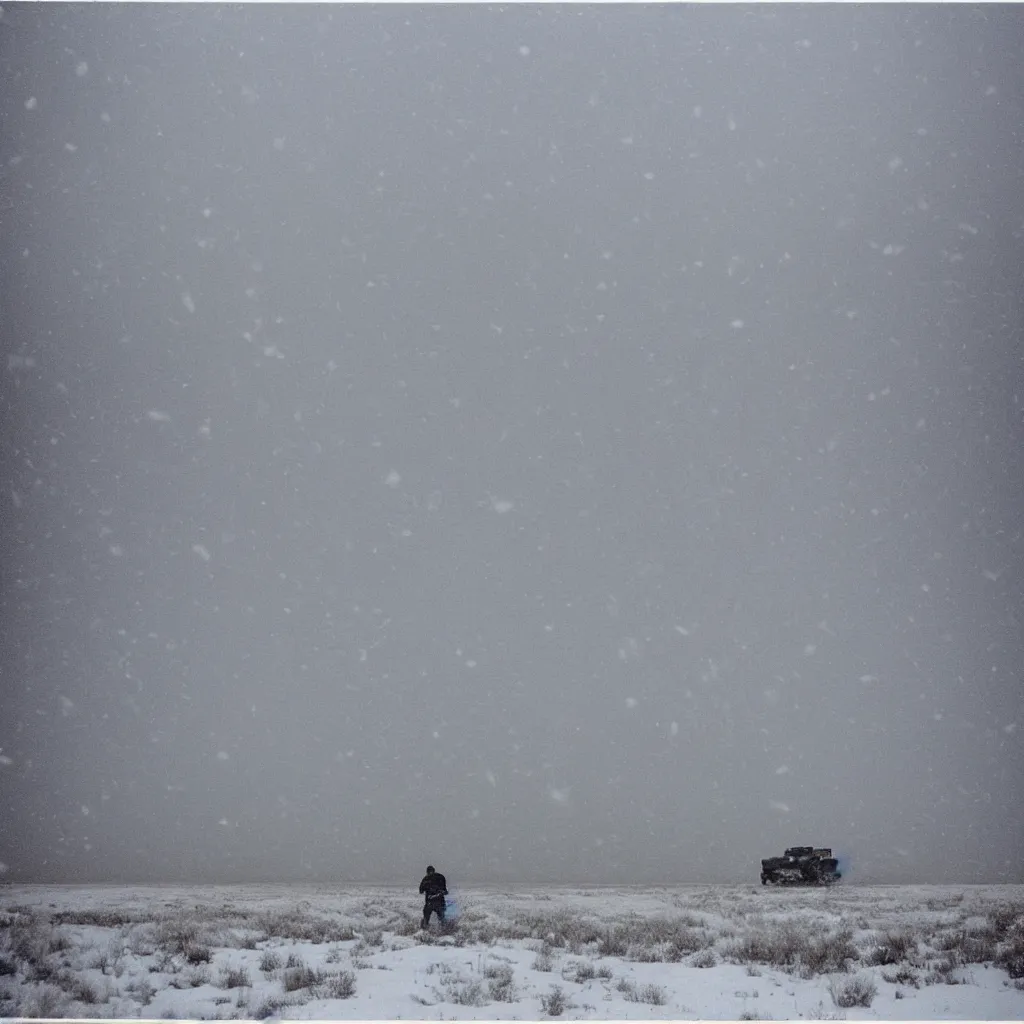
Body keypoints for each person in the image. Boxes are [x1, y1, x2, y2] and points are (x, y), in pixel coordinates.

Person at [418, 864, 448, 929]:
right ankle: (445, 931)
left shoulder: (425, 879)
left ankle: (425, 932)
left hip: (430, 902)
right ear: (434, 870)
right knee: (442, 919)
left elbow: (421, 891)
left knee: (426, 919)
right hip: (440, 901)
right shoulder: (441, 877)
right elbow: (445, 890)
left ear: (427, 872)